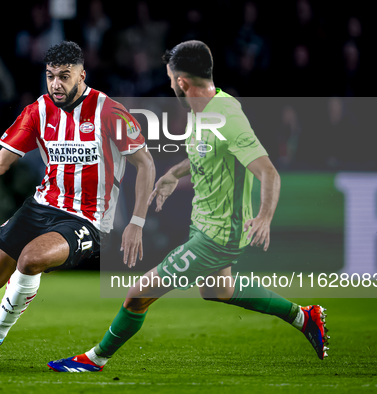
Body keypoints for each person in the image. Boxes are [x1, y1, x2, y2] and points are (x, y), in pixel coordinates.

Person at [48, 40, 328, 373]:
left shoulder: (228, 116)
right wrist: (173, 174)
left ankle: (95, 359)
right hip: (204, 224)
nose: (169, 84)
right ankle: (304, 316)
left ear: (182, 81)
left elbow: (267, 171)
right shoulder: (202, 111)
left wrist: (265, 216)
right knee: (217, 290)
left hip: (219, 234)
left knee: (138, 293)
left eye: (170, 79)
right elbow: (203, 154)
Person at [0, 41, 155, 361]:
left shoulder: (109, 111)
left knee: (31, 259)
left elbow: (146, 164)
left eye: (64, 76)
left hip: (88, 218)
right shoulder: (38, 111)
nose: (56, 84)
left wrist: (137, 222)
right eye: (50, 76)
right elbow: (1, 161)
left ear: (82, 75)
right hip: (42, 205)